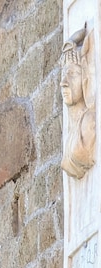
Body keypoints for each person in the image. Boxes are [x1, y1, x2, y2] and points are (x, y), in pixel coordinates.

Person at [60, 27, 96, 179]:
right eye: (63, 75)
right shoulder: (68, 126)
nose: (63, 83)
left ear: (85, 79)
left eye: (73, 74)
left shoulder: (90, 123)